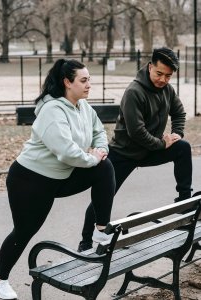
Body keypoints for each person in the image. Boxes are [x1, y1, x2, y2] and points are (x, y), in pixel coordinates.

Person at [0, 59, 116, 299]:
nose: (89, 84)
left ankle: (101, 229)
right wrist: (92, 158)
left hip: (60, 176)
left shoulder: (83, 106)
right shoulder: (52, 110)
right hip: (29, 181)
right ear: (67, 82)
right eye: (84, 80)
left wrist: (100, 151)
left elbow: (99, 131)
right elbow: (67, 152)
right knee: (24, 232)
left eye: (89, 79)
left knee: (105, 167)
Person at [78, 47, 193, 252]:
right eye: (159, 74)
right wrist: (162, 144)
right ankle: (85, 242)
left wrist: (177, 134)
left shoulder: (168, 90)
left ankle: (184, 200)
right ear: (150, 67)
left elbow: (179, 112)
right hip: (124, 153)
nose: (163, 79)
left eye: (168, 75)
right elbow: (136, 132)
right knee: (104, 196)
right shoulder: (134, 92)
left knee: (183, 148)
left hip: (150, 149)